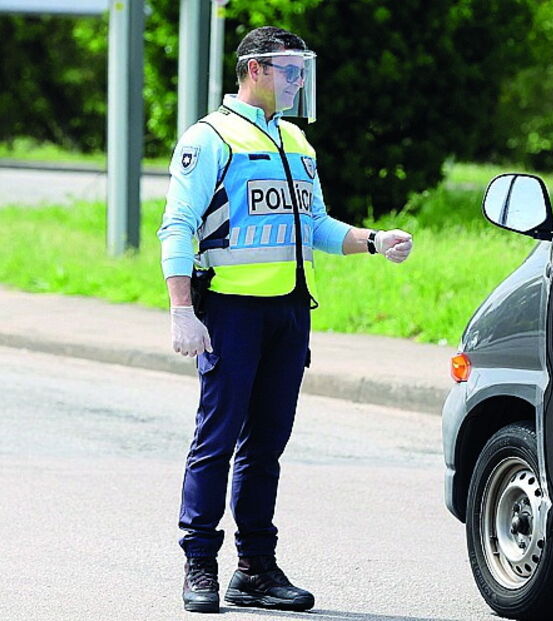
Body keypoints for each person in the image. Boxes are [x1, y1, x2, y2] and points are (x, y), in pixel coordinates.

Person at [157, 26, 413, 614]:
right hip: (230, 311)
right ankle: (200, 564)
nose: (300, 82)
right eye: (291, 70)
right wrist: (181, 311)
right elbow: (177, 226)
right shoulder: (210, 139)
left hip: (289, 311)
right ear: (254, 70)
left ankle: (255, 570)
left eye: (303, 70)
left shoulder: (297, 141)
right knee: (215, 441)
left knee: (266, 446)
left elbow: (316, 225)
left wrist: (374, 241)